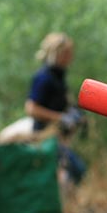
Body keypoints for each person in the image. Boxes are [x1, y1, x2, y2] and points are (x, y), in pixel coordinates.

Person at [25, 32, 86, 186]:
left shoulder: (58, 77)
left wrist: (74, 113)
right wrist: (60, 117)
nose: (70, 57)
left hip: (58, 136)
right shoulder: (43, 77)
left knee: (69, 173)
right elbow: (31, 108)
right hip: (44, 136)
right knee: (76, 170)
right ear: (56, 54)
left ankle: (67, 207)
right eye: (66, 53)